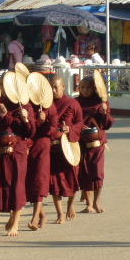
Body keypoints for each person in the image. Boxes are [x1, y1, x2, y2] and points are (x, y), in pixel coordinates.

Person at [0, 93, 35, 237]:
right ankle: (12, 215)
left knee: (17, 186)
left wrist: (26, 119)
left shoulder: (26, 105)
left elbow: (30, 132)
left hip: (18, 151)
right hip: (1, 151)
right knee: (6, 186)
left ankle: (16, 223)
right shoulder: (0, 102)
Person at [76, 76, 114, 214]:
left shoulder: (100, 102)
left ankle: (97, 202)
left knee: (97, 173)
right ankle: (89, 204)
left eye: (88, 88)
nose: (85, 90)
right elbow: (71, 121)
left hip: (97, 144)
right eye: (82, 87)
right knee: (84, 174)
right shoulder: (75, 102)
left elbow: (107, 124)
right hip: (81, 143)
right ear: (79, 88)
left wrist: (104, 111)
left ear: (94, 89)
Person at [49, 76, 84, 223]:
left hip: (69, 147)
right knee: (54, 182)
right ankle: (60, 213)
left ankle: (70, 206)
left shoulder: (72, 103)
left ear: (63, 87)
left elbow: (80, 122)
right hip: (53, 148)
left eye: (56, 87)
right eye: (51, 87)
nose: (53, 90)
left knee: (72, 179)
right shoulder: (45, 104)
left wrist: (70, 129)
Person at [26, 99, 58, 231]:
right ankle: (42, 215)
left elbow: (54, 130)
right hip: (28, 145)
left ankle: (34, 218)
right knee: (30, 181)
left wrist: (44, 121)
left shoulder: (49, 106)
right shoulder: (26, 104)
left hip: (43, 146)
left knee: (40, 179)